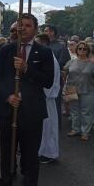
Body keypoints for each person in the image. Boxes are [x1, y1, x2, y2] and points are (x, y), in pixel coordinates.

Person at [0, 13, 54, 186]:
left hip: (32, 113)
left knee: (30, 156)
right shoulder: (5, 49)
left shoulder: (44, 52)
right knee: (7, 152)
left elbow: (47, 81)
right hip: (8, 110)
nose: (23, 29)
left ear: (36, 29)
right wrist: (8, 96)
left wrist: (27, 69)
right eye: (20, 26)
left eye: (28, 25)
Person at [35, 34, 60, 164]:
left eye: (37, 43)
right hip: (41, 97)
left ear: (43, 44)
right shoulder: (42, 57)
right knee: (42, 128)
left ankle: (49, 153)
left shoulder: (49, 58)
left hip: (46, 97)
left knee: (48, 127)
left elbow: (51, 80)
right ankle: (41, 150)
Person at [64, 41, 94, 141]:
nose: (82, 50)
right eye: (80, 48)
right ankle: (75, 129)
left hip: (88, 90)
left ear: (88, 51)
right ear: (77, 50)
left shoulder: (92, 64)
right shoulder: (71, 61)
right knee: (74, 111)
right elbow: (64, 71)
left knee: (86, 112)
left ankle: (85, 132)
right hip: (71, 89)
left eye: (84, 49)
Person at [44, 25, 71, 128]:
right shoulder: (44, 45)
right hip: (43, 79)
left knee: (55, 103)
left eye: (46, 31)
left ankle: (55, 125)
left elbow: (64, 64)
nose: (44, 32)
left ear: (52, 33)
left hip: (55, 79)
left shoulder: (61, 47)